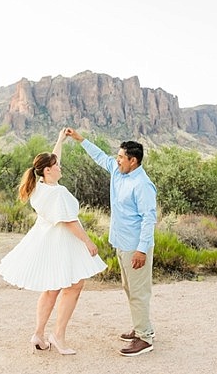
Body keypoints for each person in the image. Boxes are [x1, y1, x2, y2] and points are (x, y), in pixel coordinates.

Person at [0, 128, 107, 356]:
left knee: (52, 288)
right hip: (61, 242)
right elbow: (69, 221)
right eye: (56, 165)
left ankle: (39, 334)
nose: (61, 166)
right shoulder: (56, 193)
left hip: (46, 240)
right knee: (74, 285)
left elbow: (53, 159)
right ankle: (58, 335)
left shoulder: (39, 187)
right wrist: (88, 242)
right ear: (48, 170)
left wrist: (60, 140)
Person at [66, 128, 157, 357]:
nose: (116, 160)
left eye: (120, 158)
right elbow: (99, 157)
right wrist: (80, 139)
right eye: (117, 157)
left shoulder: (142, 185)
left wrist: (142, 250)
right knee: (129, 288)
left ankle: (145, 338)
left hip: (136, 247)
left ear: (132, 161)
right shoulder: (118, 173)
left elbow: (149, 219)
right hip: (121, 242)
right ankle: (141, 328)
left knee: (138, 291)